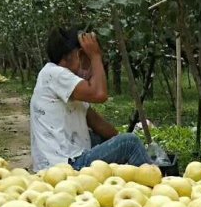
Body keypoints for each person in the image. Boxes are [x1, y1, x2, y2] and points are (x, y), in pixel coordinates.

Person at [30, 26, 151, 172]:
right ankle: (153, 185)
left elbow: (97, 123)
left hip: (64, 160)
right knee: (130, 143)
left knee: (103, 138)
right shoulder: (54, 73)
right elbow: (100, 94)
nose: (88, 67)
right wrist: (95, 56)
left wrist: (119, 140)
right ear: (76, 55)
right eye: (85, 59)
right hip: (63, 167)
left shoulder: (68, 85)